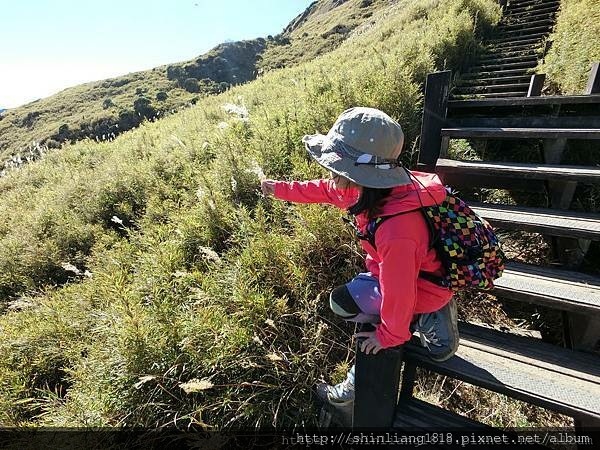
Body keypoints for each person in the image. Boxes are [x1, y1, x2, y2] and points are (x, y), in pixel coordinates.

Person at [260, 107, 458, 412]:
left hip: (421, 285)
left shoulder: (398, 229)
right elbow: (324, 190)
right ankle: (427, 311)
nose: (331, 176)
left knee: (351, 309)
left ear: (357, 173)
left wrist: (389, 335)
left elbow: (400, 290)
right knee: (354, 299)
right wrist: (281, 190)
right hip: (415, 272)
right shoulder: (370, 189)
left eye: (336, 169)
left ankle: (356, 386)